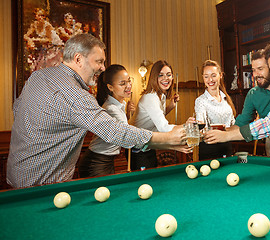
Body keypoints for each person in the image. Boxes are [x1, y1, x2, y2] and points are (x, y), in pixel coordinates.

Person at [7, 34, 188, 188]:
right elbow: (114, 131)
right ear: (78, 59)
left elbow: (17, 108)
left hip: (16, 175)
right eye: (99, 62)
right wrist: (168, 139)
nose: (102, 68)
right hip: (42, 185)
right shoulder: (75, 94)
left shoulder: (39, 75)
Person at [77, 64, 135, 177]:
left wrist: (127, 115)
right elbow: (127, 139)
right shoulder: (111, 108)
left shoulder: (120, 104)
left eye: (129, 81)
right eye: (122, 83)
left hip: (106, 160)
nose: (128, 86)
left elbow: (117, 128)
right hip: (96, 162)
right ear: (110, 87)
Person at [129, 60, 183, 170]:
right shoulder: (150, 97)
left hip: (149, 146)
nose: (166, 78)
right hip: (138, 149)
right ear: (154, 77)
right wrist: (188, 127)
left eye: (169, 75)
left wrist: (170, 106)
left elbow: (156, 117)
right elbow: (163, 127)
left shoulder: (161, 96)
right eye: (161, 75)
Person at [194, 60, 236, 160]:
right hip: (210, 148)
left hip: (227, 146)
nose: (210, 80)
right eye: (206, 76)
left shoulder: (226, 98)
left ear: (220, 75)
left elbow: (233, 124)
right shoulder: (200, 101)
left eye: (213, 75)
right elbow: (201, 128)